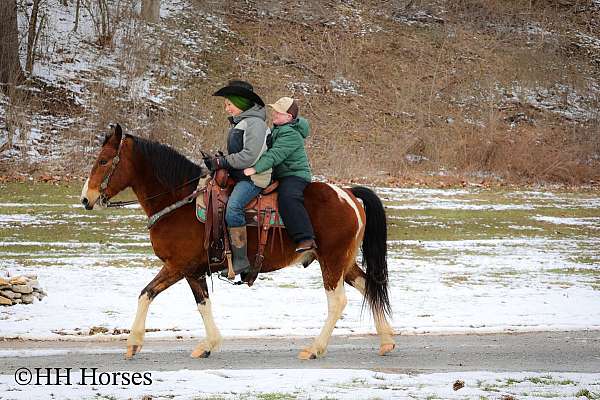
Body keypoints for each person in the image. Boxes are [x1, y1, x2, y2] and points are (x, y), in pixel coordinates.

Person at [205, 80, 272, 276]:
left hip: (254, 177)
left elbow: (249, 156)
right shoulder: (243, 122)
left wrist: (223, 162)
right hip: (240, 174)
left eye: (229, 104)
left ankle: (241, 260)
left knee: (233, 207)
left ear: (241, 103)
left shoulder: (255, 124)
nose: (226, 108)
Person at [244, 97, 316, 253]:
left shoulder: (291, 134)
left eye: (279, 112)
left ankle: (305, 238)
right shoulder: (278, 129)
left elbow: (274, 155)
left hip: (294, 175)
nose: (274, 114)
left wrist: (255, 169)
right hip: (280, 174)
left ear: (289, 117)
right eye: (274, 111)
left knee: (288, 197)